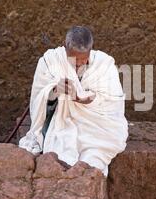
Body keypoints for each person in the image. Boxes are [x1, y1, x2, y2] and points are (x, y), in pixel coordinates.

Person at [18, 26, 128, 176]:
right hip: (60, 120)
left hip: (95, 123)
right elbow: (39, 98)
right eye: (74, 60)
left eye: (83, 60)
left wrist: (81, 98)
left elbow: (110, 101)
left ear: (90, 50)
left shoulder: (105, 64)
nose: (79, 64)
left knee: (94, 154)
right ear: (65, 47)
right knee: (59, 151)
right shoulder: (50, 61)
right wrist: (55, 90)